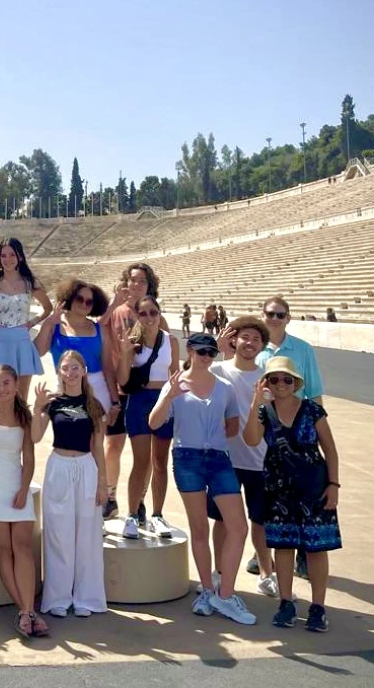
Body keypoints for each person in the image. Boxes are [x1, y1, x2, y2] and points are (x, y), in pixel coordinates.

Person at [148, 334, 256, 625]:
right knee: (199, 529)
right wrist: (169, 397)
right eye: (202, 351)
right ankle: (208, 590)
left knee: (238, 526)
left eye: (212, 352)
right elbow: (154, 423)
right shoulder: (176, 384)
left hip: (219, 459)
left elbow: (233, 425)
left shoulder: (225, 387)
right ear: (191, 351)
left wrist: (216, 433)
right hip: (187, 458)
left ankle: (225, 594)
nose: (207, 356)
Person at [243, 356, 342, 632]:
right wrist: (255, 403)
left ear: (296, 382)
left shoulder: (312, 410)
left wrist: (334, 485)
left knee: (316, 549)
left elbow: (330, 450)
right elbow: (250, 439)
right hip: (279, 489)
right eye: (274, 379)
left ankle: (318, 607)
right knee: (283, 547)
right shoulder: (265, 411)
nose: (281, 384)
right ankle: (285, 602)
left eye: (286, 379)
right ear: (267, 383)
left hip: (314, 488)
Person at [0, 365, 46, 638]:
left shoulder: (24, 416)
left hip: (16, 485)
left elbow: (29, 457)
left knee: (23, 547)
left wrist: (24, 489)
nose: (1, 389)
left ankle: (26, 612)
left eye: (5, 383)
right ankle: (27, 612)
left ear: (16, 385)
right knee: (4, 549)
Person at [253, 295, 326, 582]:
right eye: (270, 313)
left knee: (304, 489)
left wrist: (317, 431)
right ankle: (264, 550)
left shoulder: (303, 350)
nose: (274, 318)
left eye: (280, 314)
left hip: (298, 426)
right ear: (262, 315)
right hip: (267, 426)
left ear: (288, 318)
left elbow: (315, 391)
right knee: (272, 491)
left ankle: (306, 554)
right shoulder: (255, 350)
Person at [33, 352, 107, 619]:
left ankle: (86, 597)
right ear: (59, 372)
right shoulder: (53, 403)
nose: (71, 373)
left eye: (76, 367)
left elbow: (98, 447)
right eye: (66, 368)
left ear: (84, 371)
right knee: (59, 534)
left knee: (87, 534)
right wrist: (37, 407)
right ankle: (58, 599)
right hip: (59, 467)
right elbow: (34, 436)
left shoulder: (94, 405)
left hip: (86, 467)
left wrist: (103, 484)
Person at [209, 316, 278, 597]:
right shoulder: (217, 370)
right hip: (224, 458)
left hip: (260, 459)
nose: (250, 343)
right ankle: (219, 571)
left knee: (260, 520)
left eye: (256, 339)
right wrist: (214, 347)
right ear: (233, 340)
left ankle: (266, 573)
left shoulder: (268, 377)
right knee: (222, 520)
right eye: (245, 337)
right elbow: (190, 377)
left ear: (262, 346)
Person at [99, 262, 169, 520]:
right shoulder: (116, 311)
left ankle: (138, 500)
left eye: (142, 281)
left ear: (149, 285)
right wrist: (114, 301)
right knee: (113, 443)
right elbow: (99, 326)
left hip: (145, 391)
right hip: (118, 387)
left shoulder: (154, 315)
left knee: (147, 452)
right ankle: (110, 496)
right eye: (132, 280)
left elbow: (166, 352)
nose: (136, 285)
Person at [114, 294, 180, 540]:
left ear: (159, 313)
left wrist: (175, 403)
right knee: (141, 462)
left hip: (163, 400)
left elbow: (174, 375)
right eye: (144, 313)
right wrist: (124, 354)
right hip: (139, 401)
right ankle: (132, 515)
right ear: (137, 316)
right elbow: (122, 380)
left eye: (154, 312)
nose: (150, 318)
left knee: (160, 462)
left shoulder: (170, 341)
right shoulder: (133, 341)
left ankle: (157, 515)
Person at [0, 238, 53, 404]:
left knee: (20, 401)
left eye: (12, 254)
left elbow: (48, 308)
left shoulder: (30, 283)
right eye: (3, 255)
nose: (7, 259)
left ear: (20, 257)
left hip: (21, 343)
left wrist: (32, 322)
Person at [33, 277, 118, 422]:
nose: (84, 304)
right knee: (68, 441)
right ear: (70, 298)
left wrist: (115, 401)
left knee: (95, 442)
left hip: (96, 389)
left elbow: (108, 368)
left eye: (89, 302)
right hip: (64, 389)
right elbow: (37, 352)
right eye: (79, 299)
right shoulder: (54, 326)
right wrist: (47, 324)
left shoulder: (101, 330)